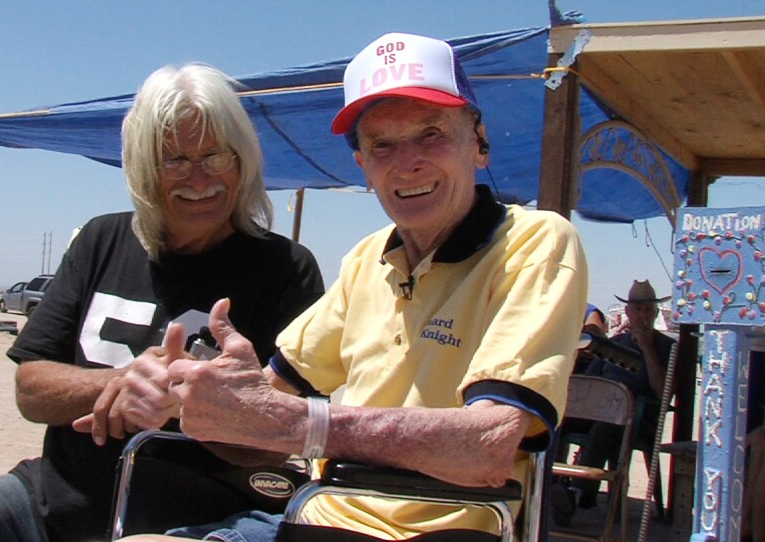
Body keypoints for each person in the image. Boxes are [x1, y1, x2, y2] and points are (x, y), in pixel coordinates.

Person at [116, 32, 588, 542]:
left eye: (431, 133)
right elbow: (270, 400)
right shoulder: (368, 258)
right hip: (318, 514)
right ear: (363, 166)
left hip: (439, 528)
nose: (407, 162)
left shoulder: (534, 242)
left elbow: (488, 445)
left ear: (478, 142)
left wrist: (300, 425)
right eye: (382, 144)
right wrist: (182, 390)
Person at [0, 63, 324, 542]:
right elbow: (30, 388)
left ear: (243, 160)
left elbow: (279, 446)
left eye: (216, 155)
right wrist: (119, 383)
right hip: (50, 504)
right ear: (140, 168)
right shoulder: (103, 238)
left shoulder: (286, 269)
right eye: (173, 160)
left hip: (205, 519)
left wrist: (195, 403)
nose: (199, 179)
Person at [552, 279, 675, 526]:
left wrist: (647, 348)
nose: (642, 315)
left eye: (648, 309)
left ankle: (575, 494)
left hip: (636, 417)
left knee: (608, 423)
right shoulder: (616, 344)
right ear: (628, 311)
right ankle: (548, 485)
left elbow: (664, 393)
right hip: (599, 410)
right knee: (553, 419)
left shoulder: (666, 347)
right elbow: (591, 379)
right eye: (637, 309)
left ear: (656, 312)